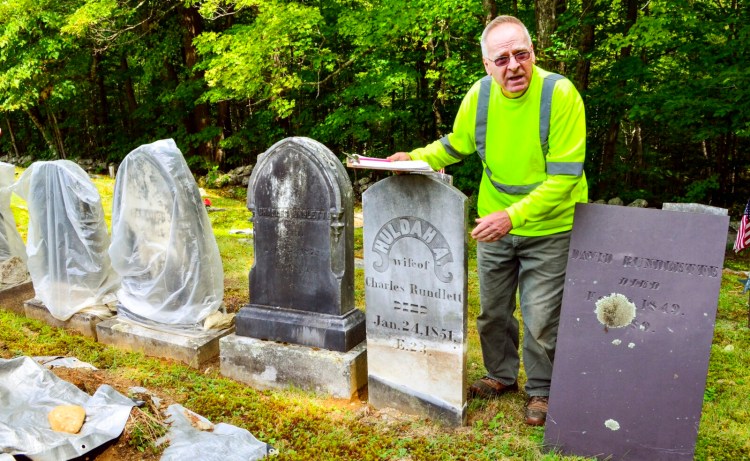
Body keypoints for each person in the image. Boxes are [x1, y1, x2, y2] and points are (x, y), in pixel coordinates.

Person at [387, 15, 587, 426]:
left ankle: (542, 391)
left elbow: (565, 179)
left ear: (534, 54)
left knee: (540, 317)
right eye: (502, 59)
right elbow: (455, 145)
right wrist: (415, 158)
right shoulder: (479, 96)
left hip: (550, 226)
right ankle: (500, 375)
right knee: (493, 311)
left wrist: (511, 218)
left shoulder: (560, 94)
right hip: (494, 224)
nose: (513, 65)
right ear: (487, 65)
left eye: (521, 54)